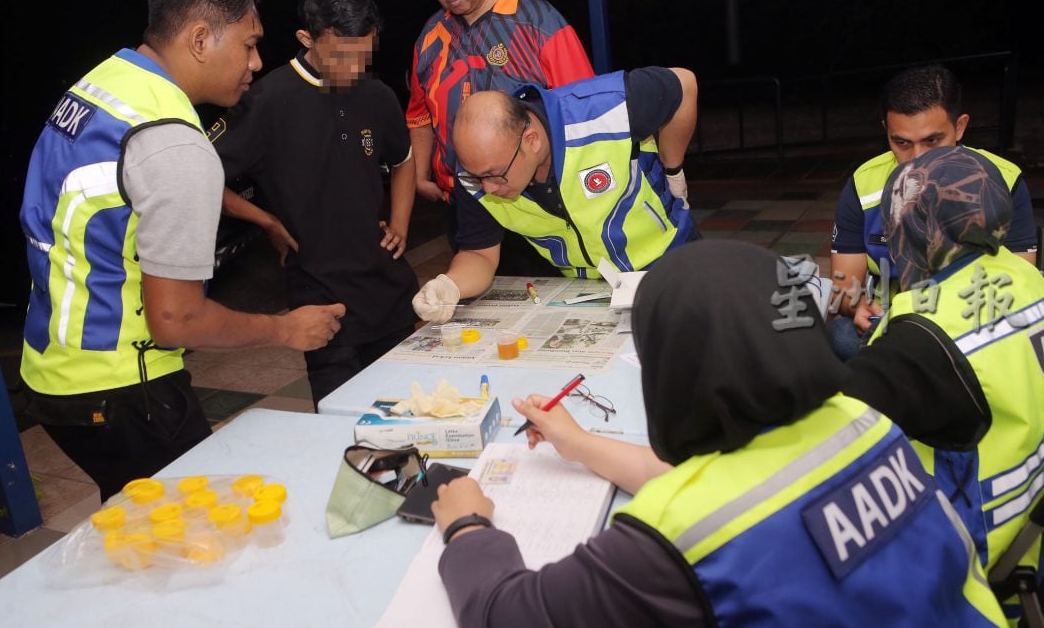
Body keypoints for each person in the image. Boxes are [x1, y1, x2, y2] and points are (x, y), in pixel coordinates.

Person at [429, 239, 1006, 626]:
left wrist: (468, 527)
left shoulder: (673, 541)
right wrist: (577, 443)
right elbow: (738, 491)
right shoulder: (860, 422)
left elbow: (506, 613)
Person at [17, 0, 344, 501]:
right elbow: (177, 319)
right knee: (193, 541)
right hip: (120, 389)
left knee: (134, 528)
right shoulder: (174, 141)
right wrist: (285, 329)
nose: (256, 62)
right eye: (249, 43)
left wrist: (259, 215)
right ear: (199, 38)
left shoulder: (105, 85)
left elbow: (131, 185)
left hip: (49, 372)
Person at [842, 145, 1043, 618]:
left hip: (977, 558)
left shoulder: (923, 336)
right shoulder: (1024, 275)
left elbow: (830, 425)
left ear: (910, 227)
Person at [211, 0, 418, 408]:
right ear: (308, 37)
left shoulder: (376, 95)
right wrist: (264, 220)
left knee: (411, 416)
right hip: (323, 307)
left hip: (389, 295)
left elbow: (403, 160)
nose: (355, 69)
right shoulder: (265, 101)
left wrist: (399, 222)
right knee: (345, 429)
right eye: (343, 56)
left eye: (364, 55)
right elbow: (199, 177)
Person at [411, 67, 699, 323]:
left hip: (672, 264)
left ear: (531, 140)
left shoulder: (603, 108)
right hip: (595, 291)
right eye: (477, 175)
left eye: (495, 173)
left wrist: (672, 167)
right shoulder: (474, 175)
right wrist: (450, 285)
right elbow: (479, 254)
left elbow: (684, 84)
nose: (487, 188)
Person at [407, 0, 595, 276]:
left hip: (535, 204)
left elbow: (583, 110)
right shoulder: (431, 36)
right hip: (464, 205)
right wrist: (421, 175)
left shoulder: (538, 22)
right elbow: (419, 113)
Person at [828, 64, 1038, 359]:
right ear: (886, 132)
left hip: (976, 317)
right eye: (901, 143)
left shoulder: (1001, 180)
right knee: (842, 336)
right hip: (895, 318)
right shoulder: (864, 185)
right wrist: (858, 306)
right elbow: (843, 284)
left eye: (932, 141)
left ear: (960, 126)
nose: (917, 160)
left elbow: (1021, 278)